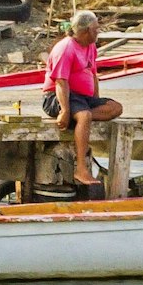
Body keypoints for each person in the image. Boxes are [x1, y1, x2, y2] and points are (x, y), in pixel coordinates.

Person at [41, 10, 123, 195]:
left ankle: (77, 118)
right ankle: (81, 169)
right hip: (58, 95)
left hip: (82, 98)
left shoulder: (91, 46)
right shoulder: (66, 48)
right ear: (85, 31)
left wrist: (95, 99)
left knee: (115, 108)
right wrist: (64, 110)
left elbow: (93, 74)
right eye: (95, 29)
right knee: (84, 116)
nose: (98, 32)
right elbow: (60, 82)